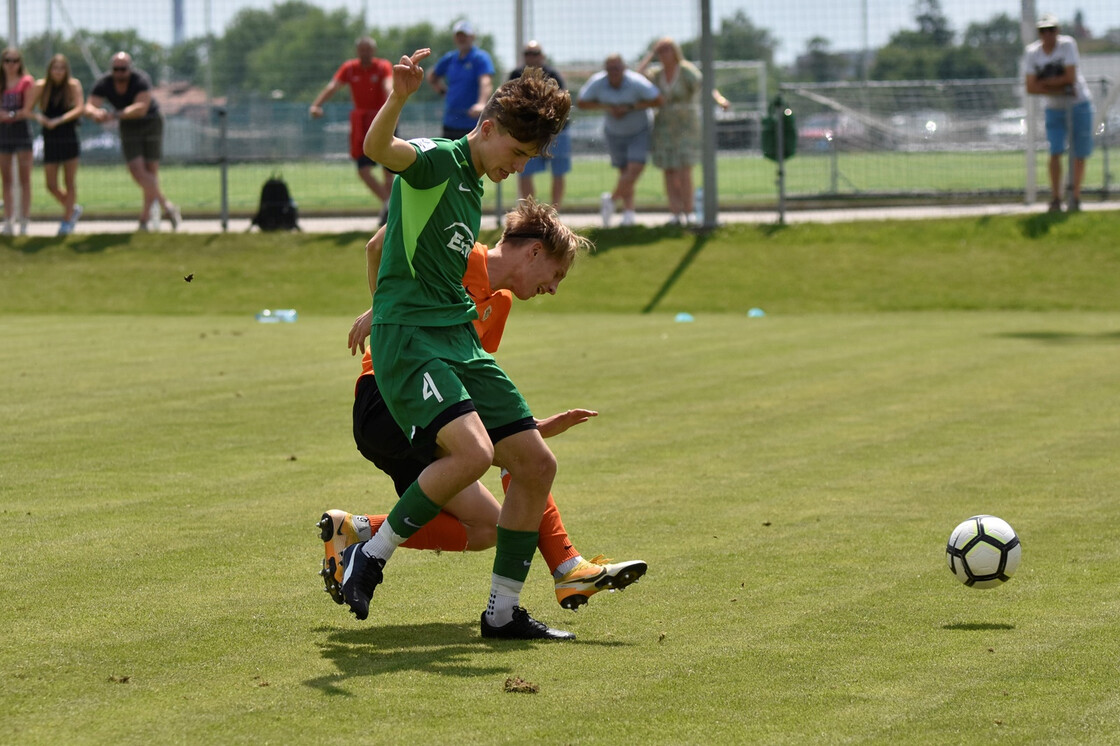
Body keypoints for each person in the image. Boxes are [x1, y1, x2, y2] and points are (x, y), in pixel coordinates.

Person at [318, 201, 646, 613]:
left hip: (429, 413)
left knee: (487, 526)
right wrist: (385, 309)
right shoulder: (458, 253)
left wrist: (531, 427)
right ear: (534, 251)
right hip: (386, 400)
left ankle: (355, 531)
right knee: (516, 459)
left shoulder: (501, 304)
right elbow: (377, 245)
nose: (554, 288)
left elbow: (474, 394)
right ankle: (566, 567)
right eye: (557, 274)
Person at [350, 50, 573, 640]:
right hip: (416, 340)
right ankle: (369, 554)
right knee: (473, 455)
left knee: (535, 463)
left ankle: (502, 613)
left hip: (457, 339)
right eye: (517, 154)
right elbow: (379, 150)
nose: (518, 168)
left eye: (529, 159)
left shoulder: (471, 188)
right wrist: (398, 97)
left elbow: (394, 245)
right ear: (489, 127)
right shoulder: (437, 161)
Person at [638, 37, 730, 226]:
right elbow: (637, 76)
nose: (664, 55)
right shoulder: (656, 74)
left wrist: (720, 100)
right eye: (660, 51)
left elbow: (706, 87)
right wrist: (650, 54)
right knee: (669, 171)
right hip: (663, 127)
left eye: (667, 50)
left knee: (684, 170)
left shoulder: (686, 70)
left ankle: (689, 212)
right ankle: (675, 213)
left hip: (686, 127)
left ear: (675, 51)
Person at [85, 52, 180, 231]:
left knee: (151, 171)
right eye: (116, 69)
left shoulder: (140, 80)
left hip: (151, 122)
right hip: (128, 125)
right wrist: (96, 113)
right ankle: (166, 206)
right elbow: (89, 105)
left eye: (123, 69)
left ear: (130, 68)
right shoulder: (105, 83)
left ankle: (143, 220)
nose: (119, 72)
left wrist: (114, 115)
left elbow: (141, 108)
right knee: (137, 171)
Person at [309, 37, 394, 223]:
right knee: (363, 169)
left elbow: (388, 86)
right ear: (357, 51)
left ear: (374, 50)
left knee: (389, 168)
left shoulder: (382, 66)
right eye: (362, 50)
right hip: (361, 124)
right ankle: (390, 204)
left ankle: (390, 212)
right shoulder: (349, 68)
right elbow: (333, 86)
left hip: (382, 120)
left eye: (368, 49)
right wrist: (316, 105)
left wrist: (392, 107)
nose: (365, 53)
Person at [577, 54, 663, 227]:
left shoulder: (636, 81)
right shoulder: (598, 82)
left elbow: (658, 99)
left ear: (624, 68)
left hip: (639, 130)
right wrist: (608, 107)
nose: (613, 72)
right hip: (614, 133)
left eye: (616, 68)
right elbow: (581, 102)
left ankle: (611, 200)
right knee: (625, 172)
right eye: (609, 68)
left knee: (636, 167)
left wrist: (630, 107)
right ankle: (629, 213)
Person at [1024, 13, 1094, 213]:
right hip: (1054, 108)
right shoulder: (1032, 52)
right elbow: (1030, 87)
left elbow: (1070, 78)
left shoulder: (1068, 45)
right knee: (1055, 151)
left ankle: (1075, 197)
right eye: (1043, 30)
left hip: (1078, 104)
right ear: (1039, 33)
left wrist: (1043, 83)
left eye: (1051, 29)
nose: (1048, 34)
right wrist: (1059, 86)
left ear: (1058, 31)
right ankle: (1056, 198)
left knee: (1080, 153)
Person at [507, 41, 571, 209]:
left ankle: (554, 212)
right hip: (528, 132)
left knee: (559, 171)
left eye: (535, 53)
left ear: (542, 56)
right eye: (528, 53)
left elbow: (561, 101)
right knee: (524, 170)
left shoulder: (553, 74)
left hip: (554, 131)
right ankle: (530, 211)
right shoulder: (515, 73)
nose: (532, 56)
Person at [31, 54, 84, 236]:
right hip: (50, 138)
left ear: (66, 70)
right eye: (55, 68)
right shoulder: (41, 86)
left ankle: (67, 219)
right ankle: (73, 209)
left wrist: (59, 120)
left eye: (62, 68)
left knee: (69, 182)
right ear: (50, 70)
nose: (58, 72)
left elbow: (79, 108)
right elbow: (27, 109)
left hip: (69, 137)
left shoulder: (73, 85)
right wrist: (42, 119)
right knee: (51, 185)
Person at [427, 21, 495, 140]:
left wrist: (481, 103)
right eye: (459, 36)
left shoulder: (480, 58)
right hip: (450, 122)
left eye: (465, 36)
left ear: (472, 37)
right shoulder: (450, 58)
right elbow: (432, 76)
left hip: (472, 124)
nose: (461, 39)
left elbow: (486, 82)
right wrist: (443, 92)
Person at [0, 47, 35, 236]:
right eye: (7, 60)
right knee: (6, 180)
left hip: (22, 132)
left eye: (14, 60)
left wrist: (10, 114)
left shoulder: (27, 81)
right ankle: (8, 220)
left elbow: (27, 110)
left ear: (20, 63)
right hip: (3, 134)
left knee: (25, 179)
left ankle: (24, 220)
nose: (11, 64)